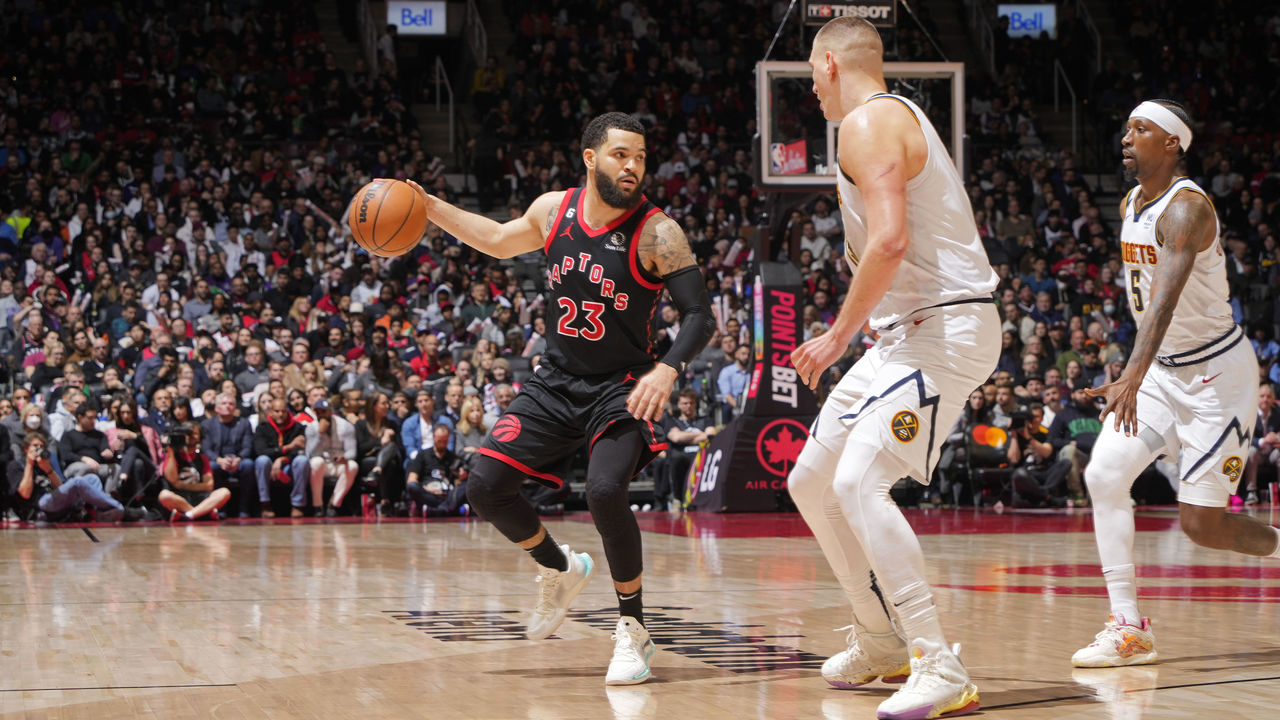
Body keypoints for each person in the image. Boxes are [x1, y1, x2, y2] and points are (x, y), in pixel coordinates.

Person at [414, 111, 714, 684]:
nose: (633, 167)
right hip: (555, 381)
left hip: (622, 387)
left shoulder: (658, 232)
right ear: (590, 157)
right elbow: (499, 241)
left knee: (604, 492)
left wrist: (668, 370)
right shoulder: (554, 210)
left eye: (641, 158)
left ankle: (633, 629)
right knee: (483, 486)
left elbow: (700, 316)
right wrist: (431, 207)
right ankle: (559, 566)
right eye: (621, 155)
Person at [786, 18, 998, 719]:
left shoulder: (867, 122)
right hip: (903, 336)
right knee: (811, 479)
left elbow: (890, 241)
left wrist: (835, 335)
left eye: (812, 71)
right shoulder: (890, 116)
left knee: (859, 480)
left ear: (828, 63)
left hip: (944, 329)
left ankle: (937, 663)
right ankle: (879, 642)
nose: (811, 86)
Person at [1072, 100, 1280, 668]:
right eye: (1127, 126)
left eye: (1141, 129)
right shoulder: (1130, 203)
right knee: (1104, 475)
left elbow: (1163, 299)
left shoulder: (1188, 209)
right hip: (1165, 370)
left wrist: (1128, 375)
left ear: (1172, 144)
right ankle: (1128, 626)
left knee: (1202, 526)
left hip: (1216, 376)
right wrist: (1141, 370)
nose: (1126, 136)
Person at [9, 431, 140, 522]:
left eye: (42, 446)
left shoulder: (44, 462)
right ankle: (120, 508)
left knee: (92, 478)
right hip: (40, 504)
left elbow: (59, 487)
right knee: (77, 481)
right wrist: (29, 465)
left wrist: (48, 469)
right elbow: (25, 494)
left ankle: (99, 512)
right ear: (26, 449)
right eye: (35, 446)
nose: (39, 449)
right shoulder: (17, 465)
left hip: (56, 498)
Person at [252, 396, 309, 518]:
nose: (280, 414)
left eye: (283, 411)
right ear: (271, 412)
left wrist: (282, 459)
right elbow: (260, 451)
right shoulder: (262, 428)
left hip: (289, 466)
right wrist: (287, 448)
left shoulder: (298, 427)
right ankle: (265, 504)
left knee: (302, 460)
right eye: (277, 411)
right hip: (269, 468)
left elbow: (300, 450)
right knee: (262, 461)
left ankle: (297, 505)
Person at [160, 424, 231, 522]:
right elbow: (172, 480)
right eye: (187, 434)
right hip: (179, 498)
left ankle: (188, 515)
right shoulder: (172, 455)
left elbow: (209, 486)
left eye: (194, 434)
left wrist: (180, 485)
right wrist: (170, 451)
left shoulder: (202, 458)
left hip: (200, 497)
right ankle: (202, 513)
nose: (190, 437)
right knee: (164, 495)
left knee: (224, 492)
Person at [201, 392, 256, 518]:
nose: (227, 406)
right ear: (216, 408)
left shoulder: (244, 423)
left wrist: (239, 459)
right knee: (212, 466)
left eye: (231, 404)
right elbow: (206, 449)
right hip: (218, 460)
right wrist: (219, 460)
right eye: (224, 403)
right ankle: (220, 508)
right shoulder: (207, 424)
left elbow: (248, 446)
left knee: (248, 464)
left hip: (238, 461)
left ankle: (244, 508)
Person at [305, 398, 358, 517]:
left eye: (324, 411)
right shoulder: (311, 428)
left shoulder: (345, 426)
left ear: (330, 411)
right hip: (323, 465)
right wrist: (320, 434)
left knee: (353, 465)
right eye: (318, 412)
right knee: (315, 462)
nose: (321, 414)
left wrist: (345, 457)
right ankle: (317, 506)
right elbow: (310, 454)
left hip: (338, 464)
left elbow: (352, 451)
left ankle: (333, 505)